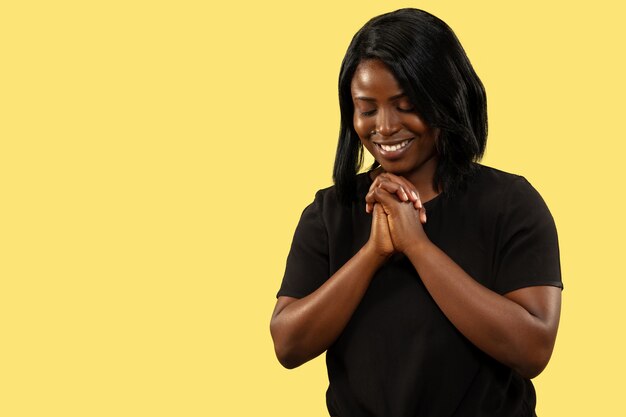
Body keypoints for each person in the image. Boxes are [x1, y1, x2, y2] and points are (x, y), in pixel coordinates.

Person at [270, 8, 562, 417]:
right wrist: (373, 253)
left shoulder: (510, 203)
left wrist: (417, 247)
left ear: (445, 100)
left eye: (406, 105)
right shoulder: (328, 212)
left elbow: (533, 349)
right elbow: (288, 344)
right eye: (367, 108)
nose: (385, 127)